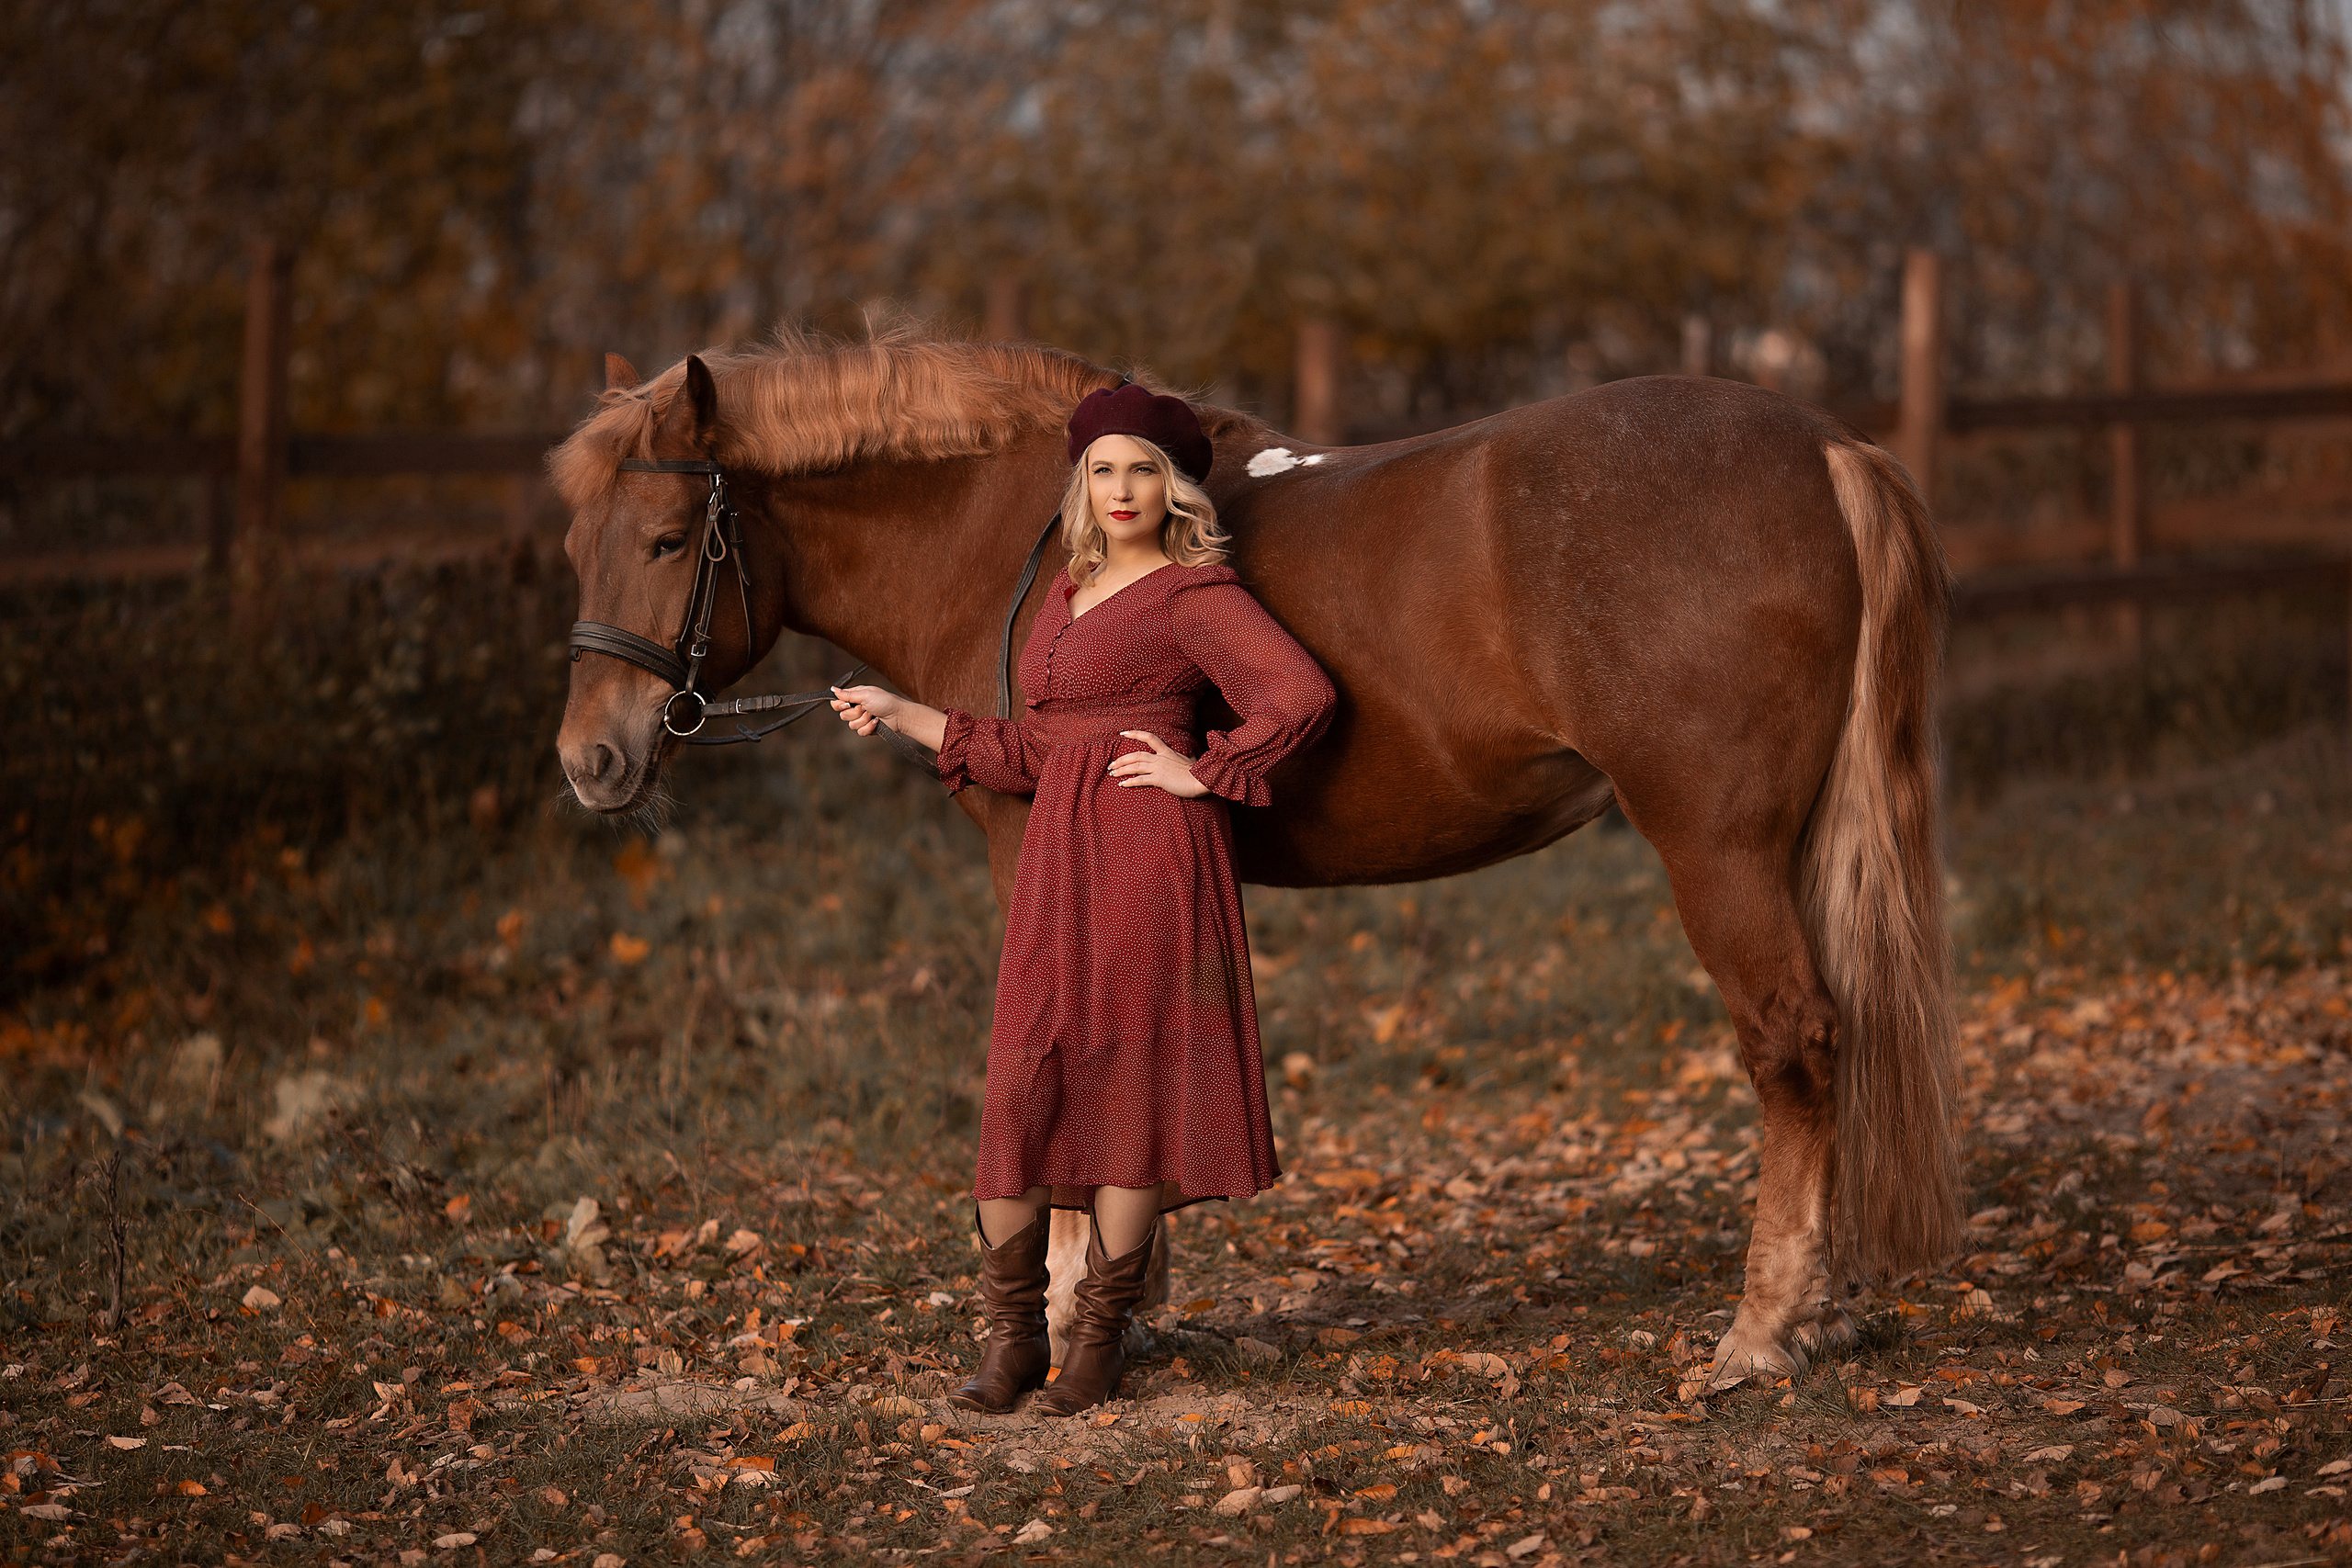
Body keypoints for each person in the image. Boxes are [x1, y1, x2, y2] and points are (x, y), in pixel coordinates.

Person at [830, 382, 1336, 1417]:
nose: (1121, 488)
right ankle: (1013, 1337)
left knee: (1129, 1089)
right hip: (1059, 858)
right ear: (1082, 483)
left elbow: (1301, 694)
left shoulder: (1194, 593)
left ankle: (1098, 1341)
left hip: (1153, 853)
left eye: (1143, 470)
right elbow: (1032, 750)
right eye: (1104, 469)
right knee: (1025, 1078)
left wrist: (1207, 768)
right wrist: (901, 710)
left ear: (1173, 486)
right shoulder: (1068, 590)